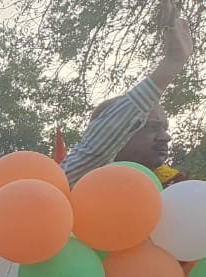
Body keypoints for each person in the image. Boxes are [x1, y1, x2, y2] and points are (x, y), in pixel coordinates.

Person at [62, 0, 192, 187]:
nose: (165, 137)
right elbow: (95, 149)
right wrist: (171, 63)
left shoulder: (177, 189)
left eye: (164, 128)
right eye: (152, 127)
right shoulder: (72, 183)